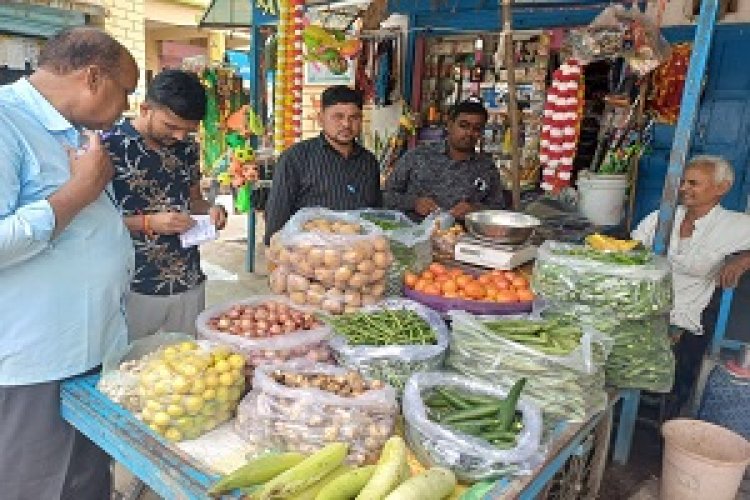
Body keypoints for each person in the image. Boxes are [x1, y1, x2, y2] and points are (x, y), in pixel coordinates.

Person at [0, 27, 138, 499]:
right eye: (126, 93)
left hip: (90, 355)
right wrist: (78, 193)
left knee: (85, 484)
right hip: (36, 367)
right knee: (39, 487)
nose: (126, 109)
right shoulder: (5, 121)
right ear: (94, 77)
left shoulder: (69, 130)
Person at [105, 69, 227, 341]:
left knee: (185, 364)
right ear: (145, 108)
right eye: (171, 126)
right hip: (133, 284)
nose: (181, 136)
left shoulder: (187, 149)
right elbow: (92, 223)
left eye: (189, 129)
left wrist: (210, 210)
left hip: (187, 278)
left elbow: (193, 199)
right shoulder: (108, 146)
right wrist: (149, 223)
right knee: (130, 367)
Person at [632, 155, 750, 411]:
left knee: (674, 364)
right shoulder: (661, 216)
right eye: (683, 182)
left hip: (685, 314)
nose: (684, 188)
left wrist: (743, 261)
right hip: (641, 305)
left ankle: (666, 406)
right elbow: (631, 248)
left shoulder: (733, 225)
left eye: (694, 183)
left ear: (722, 188)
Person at [263, 85, 381, 245]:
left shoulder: (369, 162)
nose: (346, 124)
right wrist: (277, 255)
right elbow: (277, 216)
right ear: (320, 119)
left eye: (354, 117)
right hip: (311, 259)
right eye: (338, 116)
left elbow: (375, 214)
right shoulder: (295, 158)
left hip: (359, 258)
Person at [383, 99, 507, 222]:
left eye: (477, 128)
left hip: (461, 238)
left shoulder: (486, 168)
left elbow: (498, 211)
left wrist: (475, 210)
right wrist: (414, 203)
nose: (469, 133)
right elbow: (385, 196)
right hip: (414, 234)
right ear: (450, 125)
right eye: (463, 126)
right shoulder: (418, 156)